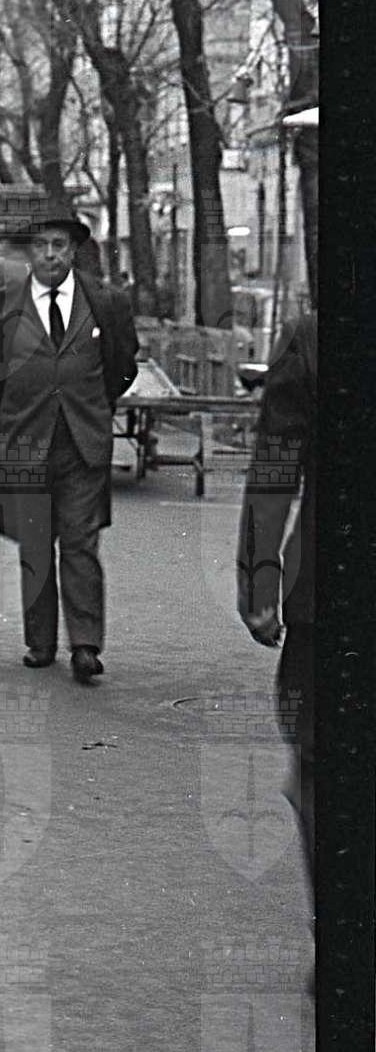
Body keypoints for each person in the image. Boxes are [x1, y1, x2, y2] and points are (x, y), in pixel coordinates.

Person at [0, 205, 139, 681]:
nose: (50, 255)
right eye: (40, 246)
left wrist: (92, 405)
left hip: (83, 442)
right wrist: (13, 411)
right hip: (25, 439)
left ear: (74, 250)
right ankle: (40, 642)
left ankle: (85, 645)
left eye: (59, 245)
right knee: (35, 544)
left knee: (81, 542)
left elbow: (123, 365)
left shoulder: (107, 303)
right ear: (29, 254)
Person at [236, 309, 315, 934]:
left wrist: (261, 586)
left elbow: (273, 472)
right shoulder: (312, 341)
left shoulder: (312, 338)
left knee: (319, 775)